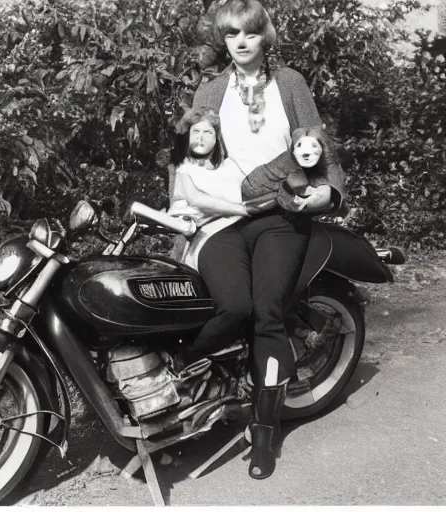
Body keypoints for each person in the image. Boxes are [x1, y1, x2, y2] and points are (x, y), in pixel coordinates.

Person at [175, 0, 346, 481]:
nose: (242, 42)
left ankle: (264, 431)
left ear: (264, 37)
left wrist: (329, 191)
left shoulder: (290, 83)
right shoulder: (210, 89)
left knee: (268, 311)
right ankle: (178, 379)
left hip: (279, 216)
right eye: (232, 35)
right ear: (224, 41)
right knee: (233, 307)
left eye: (250, 32)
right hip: (223, 220)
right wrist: (181, 198)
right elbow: (190, 147)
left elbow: (318, 141)